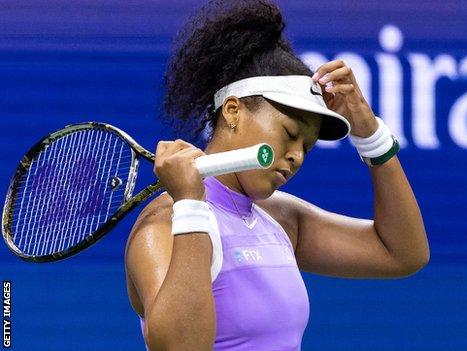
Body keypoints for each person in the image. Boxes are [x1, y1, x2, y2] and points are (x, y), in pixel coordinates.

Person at [124, 1, 429, 350]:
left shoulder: (280, 218)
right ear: (234, 111)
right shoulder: (163, 223)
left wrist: (371, 136)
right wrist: (190, 206)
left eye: (307, 146)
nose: (297, 155)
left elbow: (403, 254)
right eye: (289, 133)